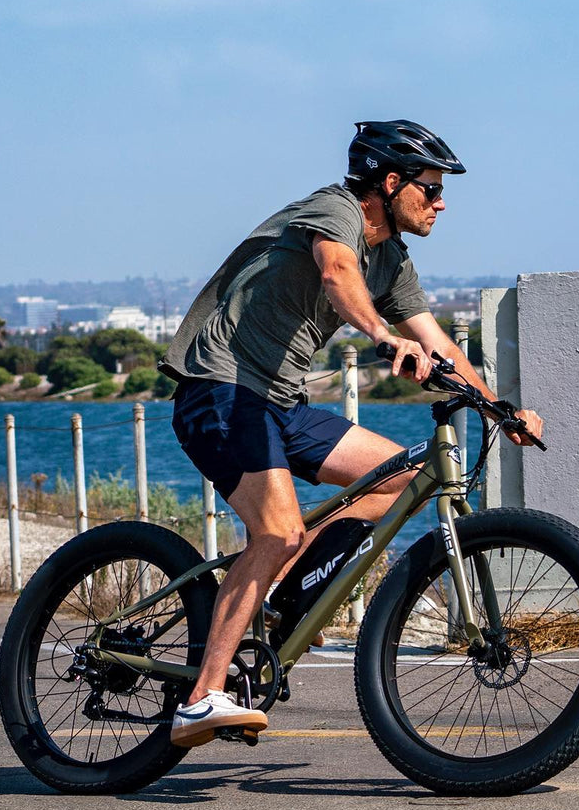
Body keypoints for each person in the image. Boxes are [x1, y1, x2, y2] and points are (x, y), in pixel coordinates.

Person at [158, 119, 545, 748]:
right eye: (431, 188)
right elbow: (337, 274)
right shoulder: (333, 210)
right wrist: (381, 336)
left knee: (400, 476)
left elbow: (438, 340)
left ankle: (280, 595)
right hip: (219, 390)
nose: (441, 203)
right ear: (390, 183)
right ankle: (201, 697)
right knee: (278, 529)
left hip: (279, 404)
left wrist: (499, 407)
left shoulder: (392, 260)